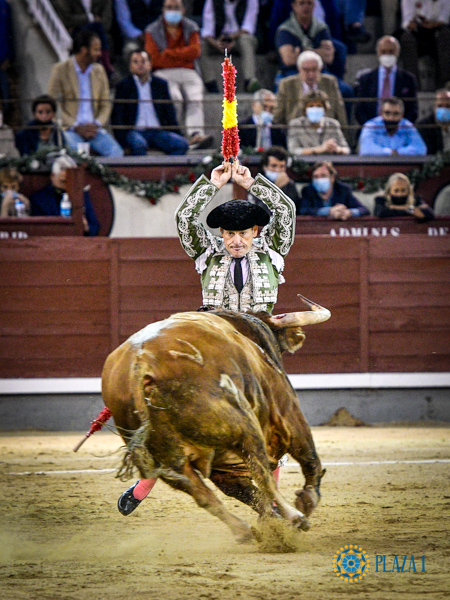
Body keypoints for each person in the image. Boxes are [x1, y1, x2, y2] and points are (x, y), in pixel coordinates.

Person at [117, 158, 296, 516]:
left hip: (256, 346)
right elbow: (185, 218)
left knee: (276, 421)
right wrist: (211, 186)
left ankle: (274, 499)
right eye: (228, 234)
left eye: (242, 233)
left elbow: (286, 211)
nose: (235, 240)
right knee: (171, 408)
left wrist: (252, 183)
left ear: (256, 232)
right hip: (213, 341)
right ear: (221, 235)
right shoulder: (207, 252)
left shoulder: (273, 250)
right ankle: (145, 483)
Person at [144, 0, 213, 149]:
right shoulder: (152, 30)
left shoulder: (192, 27)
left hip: (189, 71)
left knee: (195, 98)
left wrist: (168, 53)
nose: (173, 10)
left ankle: (195, 135)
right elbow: (154, 59)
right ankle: (176, 136)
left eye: (176, 7)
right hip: (163, 72)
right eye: (169, 7)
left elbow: (195, 51)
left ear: (183, 10)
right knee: (175, 98)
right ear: (163, 9)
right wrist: (183, 55)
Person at [48, 29, 124, 157]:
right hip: (70, 129)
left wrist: (96, 124)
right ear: (84, 50)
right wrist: (76, 126)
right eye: (96, 50)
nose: (100, 53)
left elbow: (106, 104)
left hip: (95, 130)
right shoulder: (60, 70)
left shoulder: (99, 71)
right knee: (80, 156)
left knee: (117, 154)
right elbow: (53, 105)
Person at [274, 0, 353, 113]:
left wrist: (301, 51)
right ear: (294, 6)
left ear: (314, 5)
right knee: (284, 91)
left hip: (319, 72)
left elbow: (328, 57)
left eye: (309, 3)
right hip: (292, 72)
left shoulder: (321, 28)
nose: (306, 7)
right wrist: (318, 51)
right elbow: (289, 59)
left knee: (346, 91)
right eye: (302, 3)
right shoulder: (285, 30)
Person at [111, 49, 189, 155]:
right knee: (139, 144)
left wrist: (177, 133)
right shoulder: (123, 86)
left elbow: (169, 112)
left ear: (150, 65)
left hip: (157, 132)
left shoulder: (161, 84)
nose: (140, 65)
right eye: (135, 62)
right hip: (135, 131)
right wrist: (122, 142)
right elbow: (117, 116)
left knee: (182, 144)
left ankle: (166, 166)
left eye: (143, 61)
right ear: (130, 66)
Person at [354, 35, 418, 126]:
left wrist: (399, 128)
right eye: (383, 52)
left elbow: (413, 110)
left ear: (398, 52)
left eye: (391, 51)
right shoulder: (366, 79)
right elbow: (360, 110)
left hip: (400, 130)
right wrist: (371, 128)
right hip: (371, 129)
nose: (387, 55)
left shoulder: (408, 79)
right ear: (378, 53)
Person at [274, 50, 347, 128]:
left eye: (314, 69)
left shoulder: (329, 82)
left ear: (320, 69)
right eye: (306, 70)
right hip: (296, 130)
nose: (311, 74)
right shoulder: (287, 84)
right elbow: (278, 116)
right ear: (299, 69)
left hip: (326, 130)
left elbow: (340, 112)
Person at [200, 0, 261, 93]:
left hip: (239, 38)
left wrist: (230, 38)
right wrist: (216, 44)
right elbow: (207, 31)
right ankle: (211, 85)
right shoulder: (212, 1)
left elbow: (248, 27)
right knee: (202, 45)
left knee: (245, 39)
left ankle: (249, 81)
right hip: (218, 40)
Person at [30, 155, 100, 236]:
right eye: (63, 181)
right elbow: (36, 230)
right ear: (52, 176)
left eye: (70, 181)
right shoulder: (39, 199)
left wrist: (86, 227)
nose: (66, 186)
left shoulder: (81, 195)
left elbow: (94, 226)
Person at [49, 0, 114, 78]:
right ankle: (105, 63)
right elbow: (67, 19)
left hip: (94, 34)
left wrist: (88, 21)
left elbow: (106, 23)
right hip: (75, 32)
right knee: (96, 27)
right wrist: (90, 18)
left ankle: (102, 63)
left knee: (97, 27)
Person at [399, 0, 450, 89]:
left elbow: (444, 19)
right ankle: (412, 84)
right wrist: (416, 24)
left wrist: (432, 24)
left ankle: (445, 83)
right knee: (406, 38)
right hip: (417, 33)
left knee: (445, 35)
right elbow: (406, 22)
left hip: (438, 31)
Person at [287, 89, 349, 156]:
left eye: (319, 106)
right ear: (305, 110)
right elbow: (293, 150)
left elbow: (346, 149)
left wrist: (337, 149)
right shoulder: (296, 124)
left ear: (325, 109)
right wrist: (319, 149)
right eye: (311, 106)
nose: (315, 109)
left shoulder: (333, 124)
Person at [299, 160, 369, 218]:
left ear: (332, 178)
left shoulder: (343, 189)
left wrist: (349, 212)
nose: (319, 179)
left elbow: (364, 210)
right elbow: (303, 210)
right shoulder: (308, 190)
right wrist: (329, 211)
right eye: (315, 177)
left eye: (323, 176)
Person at [358, 97, 427, 156]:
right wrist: (390, 153)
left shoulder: (408, 127)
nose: (391, 118)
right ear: (381, 113)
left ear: (402, 115)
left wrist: (398, 152)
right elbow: (366, 150)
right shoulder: (371, 126)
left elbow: (421, 149)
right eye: (387, 113)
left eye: (396, 114)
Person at [259, 145, 301, 213]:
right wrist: (276, 188)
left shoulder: (289, 185)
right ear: (265, 167)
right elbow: (261, 212)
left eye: (282, 166)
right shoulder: (257, 184)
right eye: (274, 166)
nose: (278, 170)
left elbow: (296, 210)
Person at [416, 89, 450, 155]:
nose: (444, 109)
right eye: (440, 106)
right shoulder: (423, 126)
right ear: (434, 107)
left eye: (448, 106)